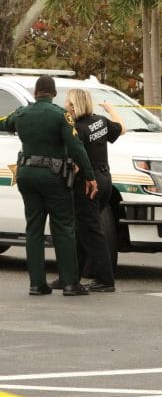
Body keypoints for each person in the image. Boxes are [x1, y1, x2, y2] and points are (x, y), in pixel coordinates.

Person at [0, 76, 96, 296]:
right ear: (53, 94)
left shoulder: (21, 113)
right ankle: (71, 284)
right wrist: (90, 176)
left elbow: (3, 122)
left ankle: (37, 284)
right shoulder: (61, 116)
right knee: (63, 227)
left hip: (26, 175)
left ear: (35, 92)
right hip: (54, 178)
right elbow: (76, 147)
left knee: (33, 228)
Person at [63, 88, 125, 292]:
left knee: (91, 232)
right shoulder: (101, 121)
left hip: (88, 183)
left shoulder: (77, 129)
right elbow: (122, 128)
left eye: (67, 103)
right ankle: (71, 277)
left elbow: (77, 161)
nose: (65, 106)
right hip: (106, 179)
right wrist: (110, 108)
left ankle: (105, 280)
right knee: (83, 229)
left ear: (73, 106)